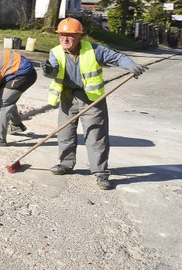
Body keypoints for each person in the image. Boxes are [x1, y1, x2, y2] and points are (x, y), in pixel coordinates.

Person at [42, 17, 148, 190]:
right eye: (62, 35)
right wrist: (47, 70)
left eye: (70, 36)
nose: (65, 39)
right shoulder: (55, 52)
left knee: (95, 136)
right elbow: (53, 70)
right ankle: (66, 164)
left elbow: (117, 57)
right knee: (65, 132)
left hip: (92, 98)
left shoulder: (94, 50)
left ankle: (100, 173)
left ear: (80, 36)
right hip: (68, 97)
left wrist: (131, 65)